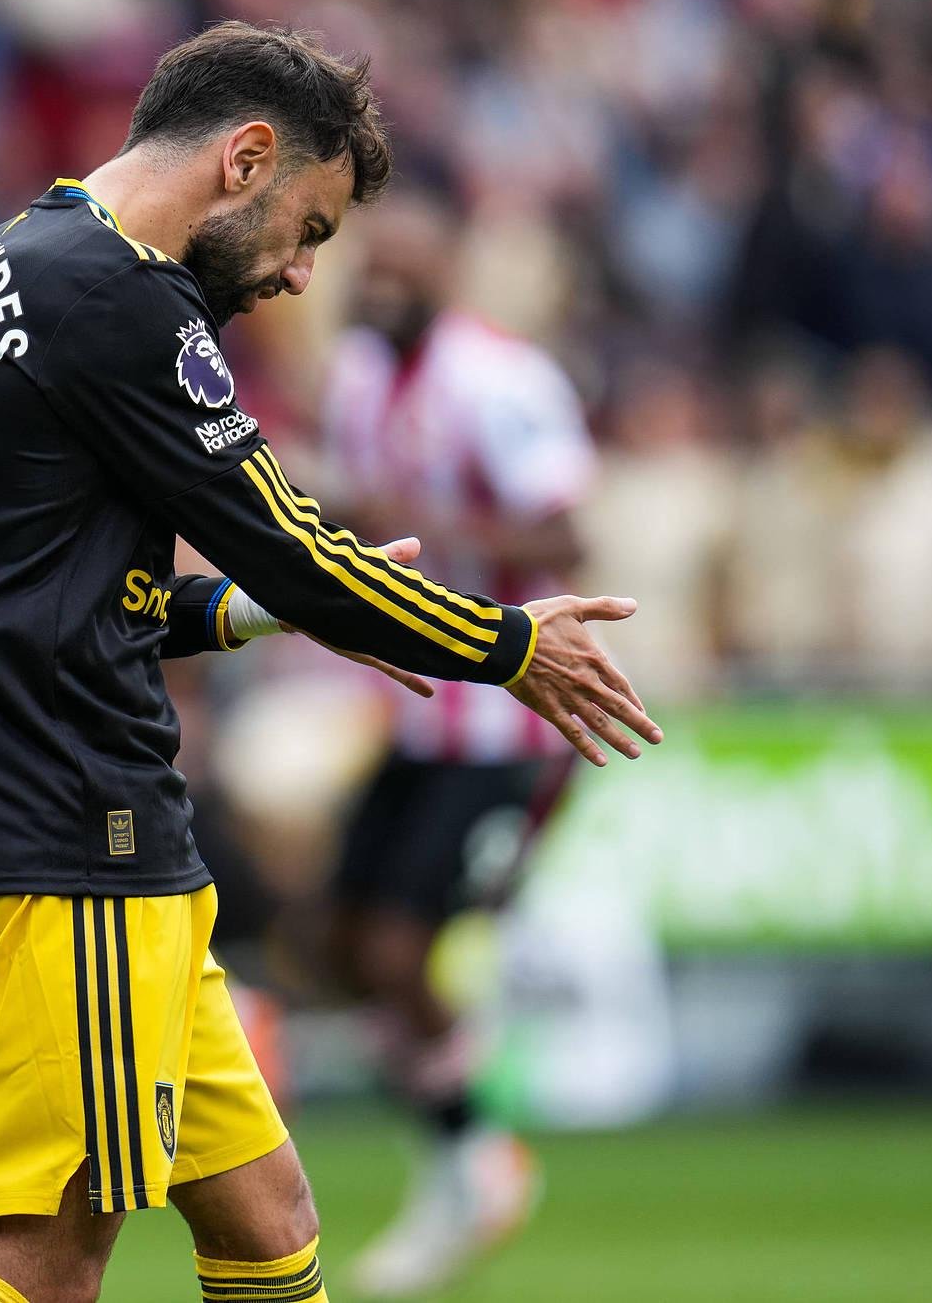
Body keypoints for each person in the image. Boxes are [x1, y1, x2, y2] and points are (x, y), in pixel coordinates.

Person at [0, 22, 659, 1303]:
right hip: (69, 834)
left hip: (73, 826)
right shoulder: (119, 296)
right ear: (244, 158)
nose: (302, 275)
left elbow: (59, 589)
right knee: (38, 1264)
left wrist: (251, 616)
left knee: (266, 1224)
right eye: (308, 229)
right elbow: (295, 542)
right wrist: (509, 642)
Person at [316, 193, 595, 1296]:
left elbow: (565, 531)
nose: (381, 283)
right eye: (369, 264)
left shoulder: (499, 381)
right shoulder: (354, 377)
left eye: (404, 265)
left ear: (445, 273)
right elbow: (355, 512)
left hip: (502, 714)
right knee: (338, 945)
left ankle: (476, 1158)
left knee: (396, 950)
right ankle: (458, 1158)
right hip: (415, 712)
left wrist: (436, 530)